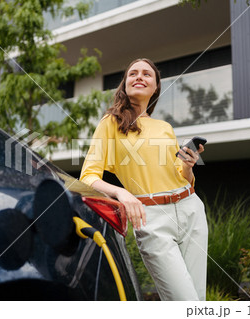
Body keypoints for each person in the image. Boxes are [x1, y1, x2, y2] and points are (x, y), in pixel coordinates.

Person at [79, 58, 208, 301]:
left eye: (146, 74)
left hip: (191, 210)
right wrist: (121, 193)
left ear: (156, 86)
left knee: (198, 301)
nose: (139, 76)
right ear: (125, 84)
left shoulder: (164, 127)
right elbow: (88, 177)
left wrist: (189, 166)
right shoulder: (110, 123)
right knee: (184, 301)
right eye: (133, 73)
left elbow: (180, 175)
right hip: (153, 219)